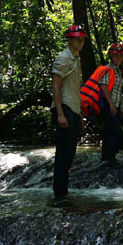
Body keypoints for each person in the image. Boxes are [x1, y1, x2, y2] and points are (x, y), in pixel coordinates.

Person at [51, 24, 86, 200]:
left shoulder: (75, 59)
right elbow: (56, 87)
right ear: (69, 40)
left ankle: (62, 191)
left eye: (82, 39)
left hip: (72, 109)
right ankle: (59, 192)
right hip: (63, 108)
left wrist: (79, 115)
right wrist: (60, 114)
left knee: (70, 152)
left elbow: (75, 89)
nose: (80, 42)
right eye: (77, 39)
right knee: (64, 153)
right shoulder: (64, 58)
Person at [99, 43, 123, 167]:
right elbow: (103, 86)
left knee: (110, 130)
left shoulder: (118, 71)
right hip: (109, 104)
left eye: (120, 56)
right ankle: (111, 158)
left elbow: (119, 91)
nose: (118, 59)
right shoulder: (107, 69)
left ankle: (105, 156)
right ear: (111, 56)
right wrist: (111, 104)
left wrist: (121, 108)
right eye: (116, 56)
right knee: (114, 131)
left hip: (116, 104)